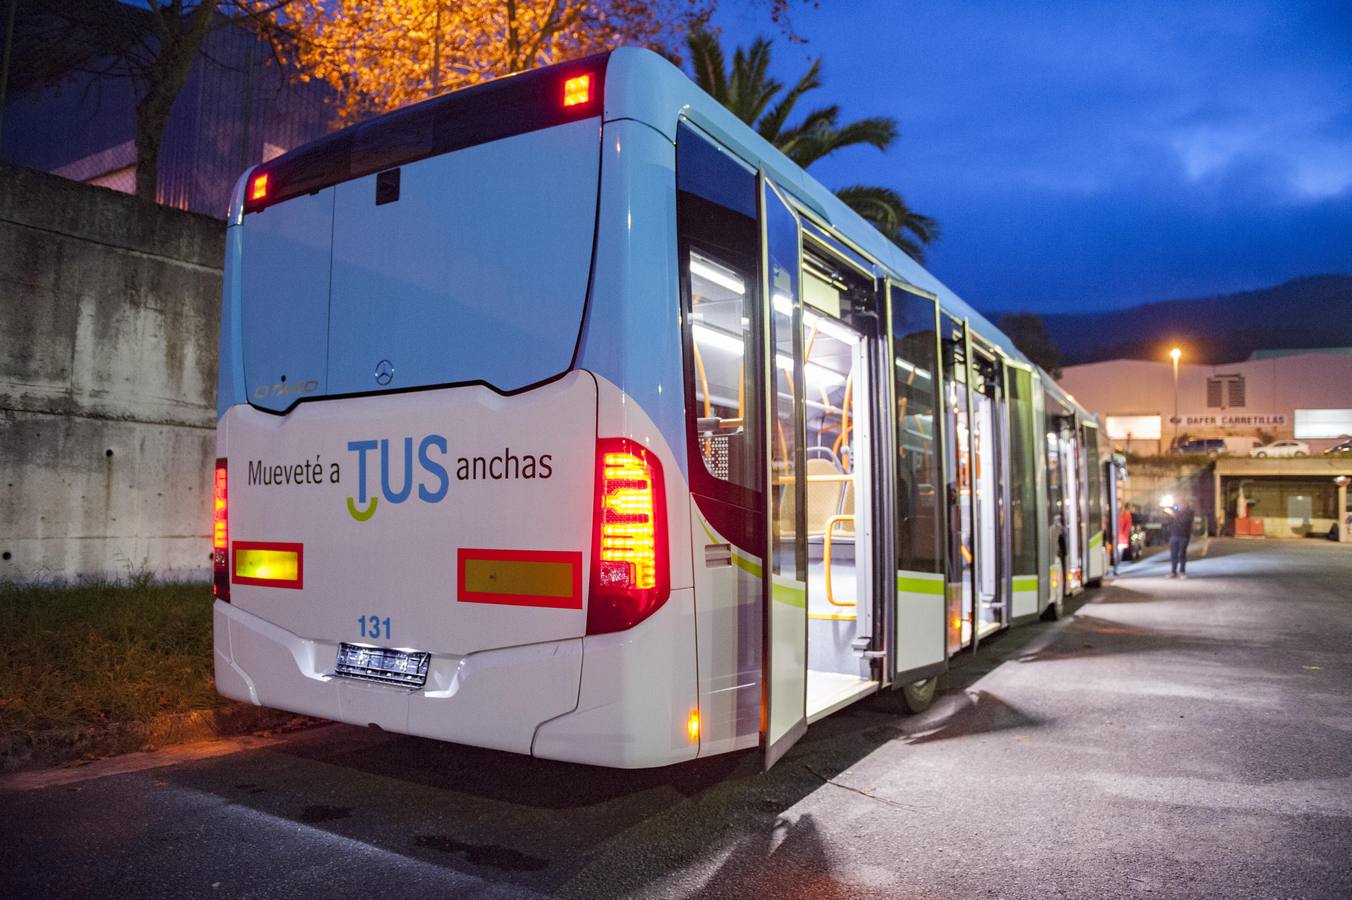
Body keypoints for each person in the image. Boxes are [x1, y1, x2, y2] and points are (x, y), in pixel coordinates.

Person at [1165, 500, 1196, 578]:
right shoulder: (1176, 511)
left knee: (1181, 554)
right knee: (1173, 554)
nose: (1180, 506)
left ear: (1186, 504)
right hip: (1174, 535)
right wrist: (1167, 514)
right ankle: (1173, 572)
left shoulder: (1189, 512)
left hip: (1184, 536)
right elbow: (1169, 522)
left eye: (1182, 504)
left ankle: (1182, 572)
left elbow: (1183, 521)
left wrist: (1172, 514)